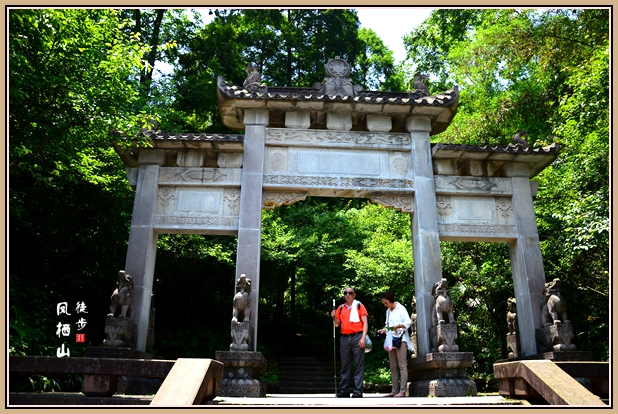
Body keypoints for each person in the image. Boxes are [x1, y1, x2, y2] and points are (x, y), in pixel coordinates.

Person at [331, 287, 369, 398]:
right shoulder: (341, 308)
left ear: (354, 295)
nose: (347, 295)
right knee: (345, 364)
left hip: (357, 336)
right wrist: (333, 316)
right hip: (344, 338)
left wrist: (363, 338)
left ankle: (358, 390)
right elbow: (337, 324)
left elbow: (365, 323)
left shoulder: (359, 306)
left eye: (350, 293)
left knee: (358, 364)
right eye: (345, 293)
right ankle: (344, 390)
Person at [377, 291, 412, 397]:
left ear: (390, 300)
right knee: (393, 366)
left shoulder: (401, 309)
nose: (385, 305)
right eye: (383, 303)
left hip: (401, 339)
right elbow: (387, 325)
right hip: (391, 339)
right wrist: (383, 330)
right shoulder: (388, 311)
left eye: (386, 303)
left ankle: (402, 391)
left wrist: (399, 326)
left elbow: (408, 322)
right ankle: (394, 390)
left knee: (402, 365)